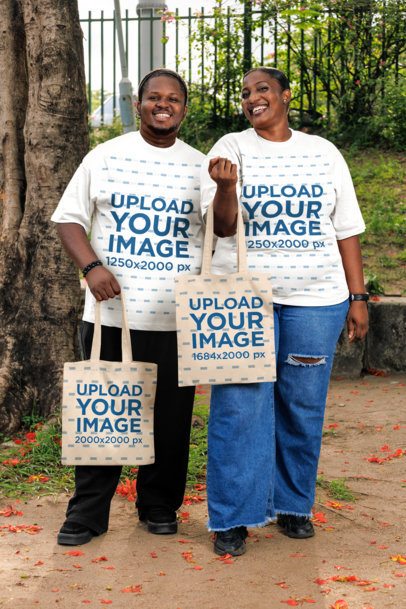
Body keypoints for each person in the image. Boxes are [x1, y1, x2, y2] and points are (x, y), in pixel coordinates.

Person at [200, 67, 369, 556]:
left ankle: (294, 505)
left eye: (263, 90)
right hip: (244, 300)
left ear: (285, 96)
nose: (253, 99)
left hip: (317, 301)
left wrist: (358, 297)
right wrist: (226, 189)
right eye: (246, 93)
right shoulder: (230, 147)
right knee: (238, 407)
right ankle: (232, 517)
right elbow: (223, 230)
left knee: (302, 405)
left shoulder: (323, 153)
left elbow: (346, 228)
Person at [52, 69, 205, 545]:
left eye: (174, 98)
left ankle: (158, 506)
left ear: (184, 107)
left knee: (172, 420)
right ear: (139, 104)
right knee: (105, 410)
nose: (164, 104)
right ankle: (87, 514)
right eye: (154, 97)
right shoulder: (106, 156)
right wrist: (91, 267)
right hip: (109, 317)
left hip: (176, 317)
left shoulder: (201, 165)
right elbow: (69, 219)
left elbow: (221, 234)